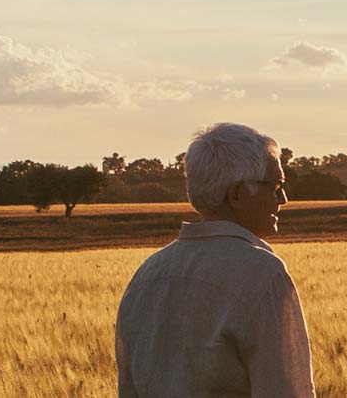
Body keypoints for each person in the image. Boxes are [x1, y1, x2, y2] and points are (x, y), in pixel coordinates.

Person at [115, 122, 314, 397]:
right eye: (275, 185)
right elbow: (286, 392)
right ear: (237, 194)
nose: (284, 198)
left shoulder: (147, 275)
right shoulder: (262, 273)